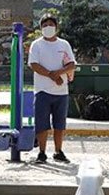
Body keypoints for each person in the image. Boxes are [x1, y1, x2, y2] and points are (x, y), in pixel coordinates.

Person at [28, 13, 76, 164]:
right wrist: (51, 75)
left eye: (51, 24)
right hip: (42, 91)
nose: (48, 27)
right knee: (42, 124)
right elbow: (34, 65)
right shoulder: (37, 45)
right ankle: (42, 152)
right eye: (45, 25)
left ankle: (58, 151)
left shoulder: (64, 44)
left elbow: (72, 64)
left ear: (56, 27)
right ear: (40, 27)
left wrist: (58, 74)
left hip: (61, 92)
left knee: (59, 124)